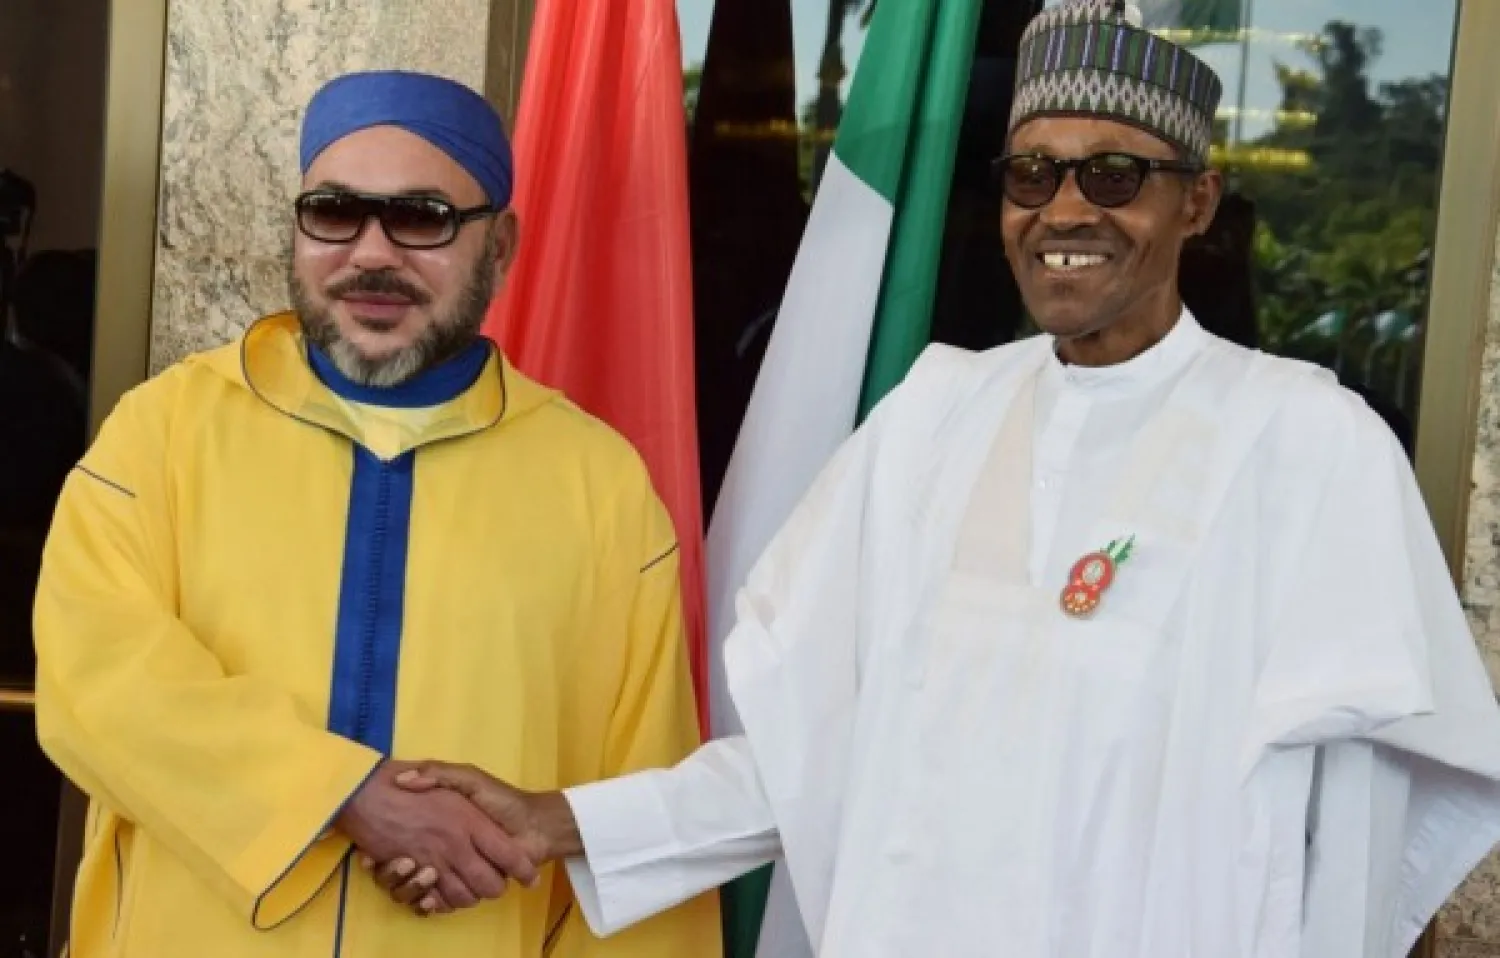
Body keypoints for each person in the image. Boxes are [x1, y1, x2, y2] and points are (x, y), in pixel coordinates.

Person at [371, 3, 1500, 955]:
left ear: (1194, 204)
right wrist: (555, 822)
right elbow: (810, 752)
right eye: (1032, 175)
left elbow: (1363, 829)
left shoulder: (1313, 445)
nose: (1065, 211)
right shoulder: (933, 416)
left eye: (1115, 175)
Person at [31, 70, 720, 958]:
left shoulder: (598, 485)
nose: (371, 254)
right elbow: (99, 684)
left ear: (501, 247)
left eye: (422, 218)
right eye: (334, 211)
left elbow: (635, 802)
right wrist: (344, 794)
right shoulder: (163, 434)